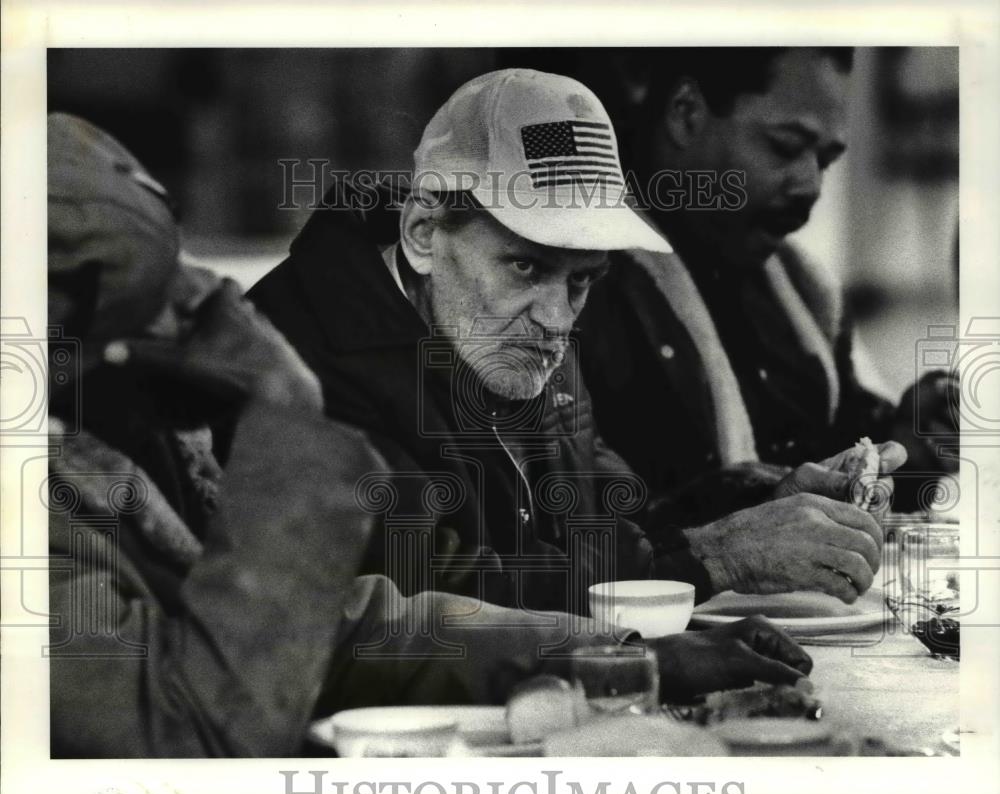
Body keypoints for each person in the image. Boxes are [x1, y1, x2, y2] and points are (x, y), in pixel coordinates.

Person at [47, 112, 816, 758]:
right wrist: (285, 403)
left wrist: (620, 649)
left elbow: (353, 626)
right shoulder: (54, 491)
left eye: (581, 281)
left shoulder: (117, 434)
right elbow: (199, 726)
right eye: (142, 299)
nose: (200, 308)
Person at [249, 68, 900, 618]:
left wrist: (761, 498)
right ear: (423, 231)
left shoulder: (502, 329)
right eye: (525, 267)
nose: (559, 318)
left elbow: (608, 529)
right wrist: (721, 554)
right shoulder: (300, 362)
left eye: (585, 279)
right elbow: (438, 592)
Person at [507, 47, 955, 521]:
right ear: (686, 113)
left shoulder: (805, 290)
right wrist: (749, 513)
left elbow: (848, 468)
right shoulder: (570, 284)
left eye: (825, 160)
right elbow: (570, 531)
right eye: (785, 146)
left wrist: (913, 446)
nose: (811, 185)